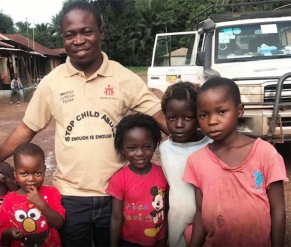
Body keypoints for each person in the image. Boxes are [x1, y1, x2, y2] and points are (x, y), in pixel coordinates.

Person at [0, 2, 168, 246]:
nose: (78, 40)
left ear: (101, 32)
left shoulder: (124, 78)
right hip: (70, 197)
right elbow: (27, 129)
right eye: (70, 35)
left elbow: (160, 116)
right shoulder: (51, 83)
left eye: (86, 31)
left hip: (115, 194)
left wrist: (198, 143)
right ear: (63, 39)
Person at [182, 77, 288, 246]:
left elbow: (278, 209)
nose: (212, 121)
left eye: (221, 111)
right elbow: (201, 212)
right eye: (203, 115)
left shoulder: (265, 153)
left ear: (239, 111)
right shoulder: (196, 161)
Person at [159, 82, 212, 247]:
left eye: (188, 117)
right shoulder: (165, 148)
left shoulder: (211, 145)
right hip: (177, 218)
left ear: (199, 116)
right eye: (172, 118)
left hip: (209, 219)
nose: (179, 124)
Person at [106, 113, 168, 247]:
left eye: (146, 147)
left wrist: (164, 239)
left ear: (155, 145)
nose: (140, 153)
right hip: (128, 242)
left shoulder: (163, 174)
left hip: (157, 240)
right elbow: (116, 218)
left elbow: (165, 211)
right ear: (122, 148)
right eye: (132, 148)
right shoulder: (119, 179)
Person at [0, 143, 65, 247]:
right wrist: (11, 233)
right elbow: (2, 229)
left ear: (44, 170)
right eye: (24, 173)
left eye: (37, 173)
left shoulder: (52, 193)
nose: (31, 179)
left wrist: (41, 204)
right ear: (15, 173)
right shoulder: (9, 200)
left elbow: (59, 223)